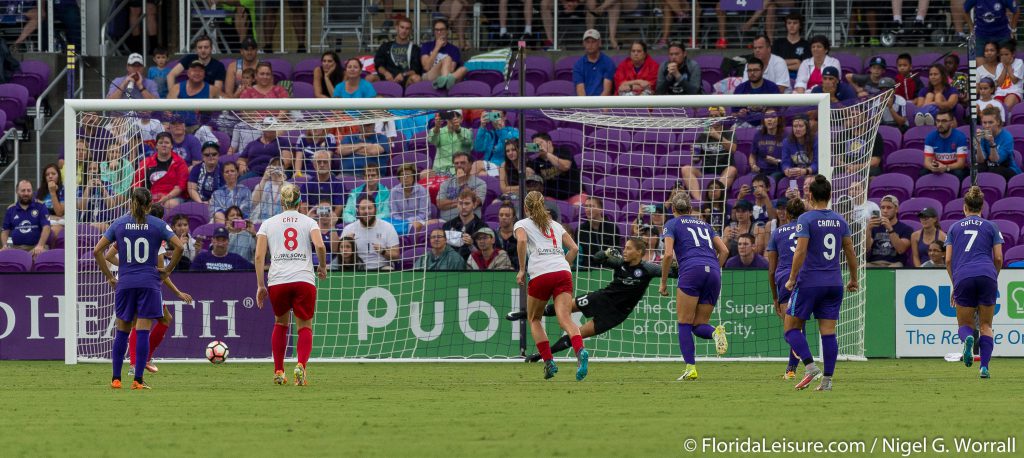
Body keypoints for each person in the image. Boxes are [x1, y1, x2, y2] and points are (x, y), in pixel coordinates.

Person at [509, 237, 671, 361]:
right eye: (625, 248)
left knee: (576, 335)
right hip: (602, 298)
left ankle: (541, 356)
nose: (625, 251)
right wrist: (606, 253)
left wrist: (674, 264)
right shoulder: (620, 263)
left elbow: (671, 272)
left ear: (640, 253)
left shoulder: (648, 269)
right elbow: (597, 259)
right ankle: (523, 314)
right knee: (564, 308)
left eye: (628, 249)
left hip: (616, 314)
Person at [93, 188, 186, 390]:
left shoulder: (119, 224)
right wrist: (167, 269)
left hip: (125, 282)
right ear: (149, 205)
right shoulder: (158, 224)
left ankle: (116, 379)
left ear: (130, 203)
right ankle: (137, 380)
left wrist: (110, 277)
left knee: (122, 331)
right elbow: (180, 247)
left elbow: (97, 251)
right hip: (148, 283)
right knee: (143, 330)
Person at [783, 175, 859, 391]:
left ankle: (809, 366)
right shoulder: (840, 220)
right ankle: (827, 381)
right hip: (834, 282)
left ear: (810, 195)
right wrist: (853, 279)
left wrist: (792, 278)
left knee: (790, 329)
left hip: (810, 281)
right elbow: (850, 251)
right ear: (830, 195)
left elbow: (801, 250)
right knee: (828, 332)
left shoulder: (806, 219)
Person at [255, 184, 327, 386]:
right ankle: (301, 366)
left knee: (280, 323)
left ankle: (279, 371)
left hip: (278, 280)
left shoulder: (268, 224)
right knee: (304, 325)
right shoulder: (309, 221)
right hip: (303, 279)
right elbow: (320, 245)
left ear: (281, 202)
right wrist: (322, 266)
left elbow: (260, 256)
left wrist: (261, 285)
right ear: (300, 202)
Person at [515, 190, 586, 381]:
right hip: (563, 272)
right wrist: (564, 264)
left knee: (534, 319)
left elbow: (521, 241)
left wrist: (522, 269)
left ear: (526, 207)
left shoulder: (522, 224)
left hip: (540, 274)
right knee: (565, 318)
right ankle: (580, 351)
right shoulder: (555, 225)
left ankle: (549, 362)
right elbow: (575, 248)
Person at [659, 193, 729, 381]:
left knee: (684, 322)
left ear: (673, 209)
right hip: (713, 271)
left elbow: (667, 255)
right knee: (698, 325)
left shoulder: (671, 224)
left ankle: (691, 368)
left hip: (691, 270)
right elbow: (724, 250)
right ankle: (716, 332)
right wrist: (713, 268)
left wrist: (663, 282)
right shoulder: (706, 225)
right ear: (690, 210)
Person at [945, 186, 1003, 379]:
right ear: (982, 206)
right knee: (986, 325)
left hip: (963, 275)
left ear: (964, 207)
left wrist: (955, 284)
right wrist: (993, 276)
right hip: (987, 274)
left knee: (965, 325)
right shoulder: (991, 226)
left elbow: (947, 260)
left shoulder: (954, 228)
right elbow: (999, 258)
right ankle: (984, 368)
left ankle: (968, 338)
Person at [766, 198, 807, 380]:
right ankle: (793, 369)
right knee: (800, 324)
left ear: (787, 214)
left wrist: (775, 297)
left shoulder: (777, 233)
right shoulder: (809, 228)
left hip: (784, 278)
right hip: (807, 275)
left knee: (791, 327)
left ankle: (795, 369)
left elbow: (771, 269)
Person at [680, 107, 737, 200]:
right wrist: (694, 154)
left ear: (722, 118)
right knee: (685, 169)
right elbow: (696, 160)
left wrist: (717, 136)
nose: (713, 119)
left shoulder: (729, 133)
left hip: (723, 170)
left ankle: (716, 198)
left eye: (716, 116)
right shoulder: (703, 136)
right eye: (711, 116)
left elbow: (733, 149)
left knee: (732, 169)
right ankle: (699, 201)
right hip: (705, 171)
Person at [340, 197, 400, 270]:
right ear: (357, 211)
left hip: (382, 267)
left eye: (370, 208)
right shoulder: (348, 229)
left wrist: (383, 251)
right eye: (363, 208)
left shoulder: (388, 227)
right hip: (356, 269)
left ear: (375, 209)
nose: (366, 211)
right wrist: (348, 243)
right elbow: (339, 255)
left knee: (388, 269)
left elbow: (396, 255)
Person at [135, 132, 188, 210]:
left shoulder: (180, 162)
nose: (164, 145)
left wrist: (166, 197)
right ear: (156, 146)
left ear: (171, 145)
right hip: (151, 197)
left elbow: (180, 186)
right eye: (160, 143)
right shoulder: (146, 162)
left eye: (167, 142)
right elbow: (137, 184)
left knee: (169, 205)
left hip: (173, 198)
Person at [2, 180, 51, 258]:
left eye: (29, 190)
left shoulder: (41, 206)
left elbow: (47, 227)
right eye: (23, 190)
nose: (26, 193)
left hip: (36, 247)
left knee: (41, 257)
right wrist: (5, 246)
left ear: (32, 191)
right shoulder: (10, 209)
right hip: (16, 248)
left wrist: (40, 245)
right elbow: (5, 231)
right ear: (17, 191)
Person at [168, 61, 221, 129]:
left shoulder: (212, 90)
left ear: (204, 73)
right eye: (194, 70)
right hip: (178, 127)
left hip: (201, 128)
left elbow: (223, 106)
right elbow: (167, 111)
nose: (197, 73)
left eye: (200, 71)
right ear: (188, 73)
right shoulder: (176, 88)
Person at [373, 17, 424, 87]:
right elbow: (379, 65)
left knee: (416, 78)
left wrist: (403, 75)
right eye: (402, 27)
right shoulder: (385, 46)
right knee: (370, 78)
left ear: (410, 31)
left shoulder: (415, 49)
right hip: (386, 78)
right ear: (396, 28)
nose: (404, 31)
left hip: (406, 80)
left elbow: (416, 70)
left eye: (407, 28)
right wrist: (386, 73)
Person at [528, 132, 580, 200]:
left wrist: (547, 154)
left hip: (574, 195)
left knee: (577, 207)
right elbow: (528, 174)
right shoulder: (536, 161)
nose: (538, 147)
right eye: (535, 145)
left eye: (540, 143)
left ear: (549, 143)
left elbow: (565, 167)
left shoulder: (563, 151)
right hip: (552, 198)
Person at [974, 106, 1021, 180]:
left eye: (990, 122)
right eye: (984, 123)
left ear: (998, 122)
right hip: (989, 167)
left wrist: (992, 143)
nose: (987, 126)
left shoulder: (1007, 137)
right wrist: (978, 144)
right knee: (976, 169)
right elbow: (980, 160)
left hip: (1007, 168)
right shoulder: (982, 135)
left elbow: (996, 160)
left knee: (994, 171)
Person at [437, 151, 487, 221]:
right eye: (456, 163)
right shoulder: (446, 183)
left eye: (463, 163)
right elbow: (440, 204)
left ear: (470, 164)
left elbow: (475, 203)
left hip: (470, 222)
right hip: (445, 221)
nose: (459, 165)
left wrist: (462, 182)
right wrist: (463, 201)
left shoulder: (480, 183)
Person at [420, 19, 468, 90]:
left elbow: (451, 69)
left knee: (464, 69)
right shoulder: (426, 46)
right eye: (436, 30)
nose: (439, 32)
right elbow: (426, 67)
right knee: (447, 58)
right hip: (429, 75)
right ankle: (445, 84)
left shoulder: (453, 49)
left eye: (442, 30)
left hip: (446, 73)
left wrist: (444, 70)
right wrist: (437, 48)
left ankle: (442, 82)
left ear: (447, 31)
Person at [867, 195, 914, 267]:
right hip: (874, 263)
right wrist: (868, 230)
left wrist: (890, 229)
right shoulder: (874, 227)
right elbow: (866, 249)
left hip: (894, 263)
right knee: (863, 268)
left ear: (896, 209)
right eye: (883, 208)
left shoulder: (906, 229)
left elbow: (901, 250)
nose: (885, 211)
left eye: (889, 208)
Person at [442, 189, 490, 260]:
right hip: (450, 265)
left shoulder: (483, 227)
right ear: (457, 205)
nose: (463, 207)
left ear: (474, 205)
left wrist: (471, 245)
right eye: (460, 203)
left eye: (467, 203)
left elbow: (486, 256)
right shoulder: (447, 226)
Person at [922, 109, 969, 179]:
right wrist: (932, 168)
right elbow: (927, 162)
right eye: (938, 121)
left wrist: (946, 167)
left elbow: (961, 164)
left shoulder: (960, 137)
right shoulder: (930, 137)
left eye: (944, 121)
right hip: (938, 166)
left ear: (951, 123)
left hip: (953, 168)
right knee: (923, 172)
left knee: (959, 173)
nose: (940, 124)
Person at [386, 164, 431, 235]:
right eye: (402, 175)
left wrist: (408, 221)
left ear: (413, 176)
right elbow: (393, 213)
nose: (405, 178)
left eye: (408, 175)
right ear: (399, 178)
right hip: (399, 222)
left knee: (416, 226)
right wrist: (402, 222)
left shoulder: (422, 190)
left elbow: (424, 214)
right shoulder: (394, 191)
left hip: (418, 221)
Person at [299, 150, 345, 218]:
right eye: (319, 162)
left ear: (330, 164)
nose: (322, 164)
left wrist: (330, 223)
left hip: (331, 222)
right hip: (312, 221)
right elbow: (303, 207)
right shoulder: (306, 185)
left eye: (325, 162)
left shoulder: (338, 185)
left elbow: (339, 208)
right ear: (314, 165)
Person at [428, 110, 473, 178]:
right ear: (446, 118)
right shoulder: (437, 131)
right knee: (424, 173)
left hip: (460, 170)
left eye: (456, 116)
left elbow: (467, 148)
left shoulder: (467, 132)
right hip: (440, 170)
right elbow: (432, 141)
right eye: (450, 116)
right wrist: (437, 127)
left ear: (461, 119)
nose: (452, 119)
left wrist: (458, 130)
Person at [472, 110, 519, 176]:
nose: (495, 119)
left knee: (478, 167)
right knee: (481, 173)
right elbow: (478, 148)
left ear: (505, 117)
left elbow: (511, 146)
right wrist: (482, 126)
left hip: (505, 167)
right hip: (487, 166)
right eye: (493, 116)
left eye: (497, 115)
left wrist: (501, 130)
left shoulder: (514, 131)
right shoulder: (490, 134)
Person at [577, 196, 620, 268]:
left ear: (601, 209)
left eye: (591, 206)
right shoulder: (581, 229)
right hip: (587, 269)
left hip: (608, 268)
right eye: (586, 206)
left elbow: (616, 250)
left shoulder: (612, 228)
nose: (588, 209)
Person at [573, 29, 616, 97]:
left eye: (593, 41)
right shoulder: (578, 65)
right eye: (587, 42)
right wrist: (586, 107)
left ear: (599, 43)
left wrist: (598, 106)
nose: (590, 45)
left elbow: (607, 91)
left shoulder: (608, 63)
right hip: (583, 104)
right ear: (583, 44)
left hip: (602, 104)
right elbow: (580, 91)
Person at [250, 157, 289, 224]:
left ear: (284, 169)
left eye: (279, 165)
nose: (276, 167)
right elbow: (254, 202)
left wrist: (281, 182)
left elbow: (290, 207)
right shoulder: (262, 184)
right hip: (261, 221)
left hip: (281, 222)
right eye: (274, 164)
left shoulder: (289, 186)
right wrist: (264, 178)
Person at [750, 110, 785, 180]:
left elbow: (790, 161)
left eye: (773, 116)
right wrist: (753, 165)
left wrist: (776, 162)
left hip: (777, 171)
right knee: (748, 180)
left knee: (769, 180)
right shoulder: (758, 135)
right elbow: (752, 155)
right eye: (766, 117)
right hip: (760, 171)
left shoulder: (786, 136)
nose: (769, 119)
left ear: (779, 119)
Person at [775, 12, 810, 79]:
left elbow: (803, 66)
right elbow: (775, 63)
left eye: (795, 23)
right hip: (779, 78)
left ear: (800, 25)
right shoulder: (778, 43)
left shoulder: (806, 45)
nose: (792, 25)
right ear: (786, 25)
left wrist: (783, 66)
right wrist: (796, 61)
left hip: (800, 78)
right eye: (789, 23)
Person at [495, 201, 519, 267]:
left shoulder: (519, 235)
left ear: (513, 218)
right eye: (501, 215)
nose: (503, 217)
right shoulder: (493, 235)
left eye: (507, 215)